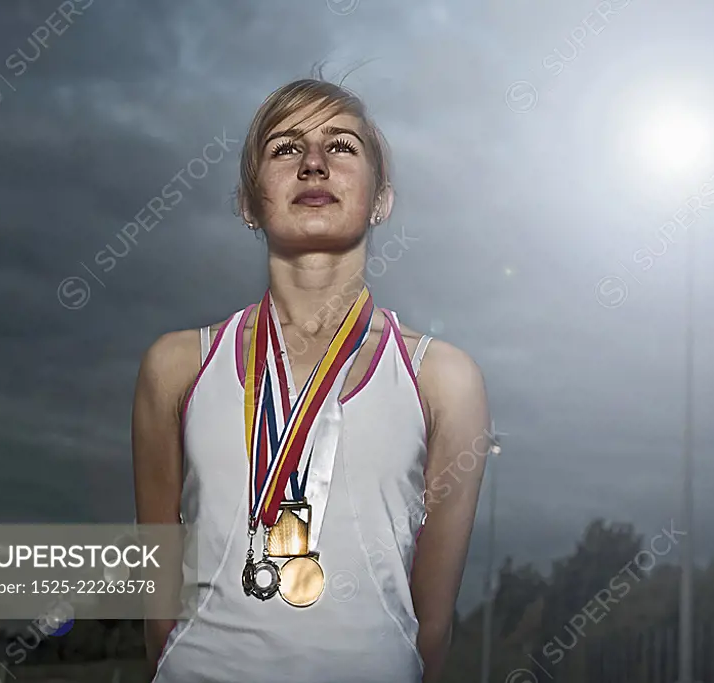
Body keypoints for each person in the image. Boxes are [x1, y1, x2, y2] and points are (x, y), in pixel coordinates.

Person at [131, 76, 491, 683]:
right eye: (285, 148)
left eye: (342, 147)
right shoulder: (177, 367)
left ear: (382, 200)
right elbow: (158, 602)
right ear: (248, 203)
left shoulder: (444, 380)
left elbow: (429, 624)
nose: (315, 164)